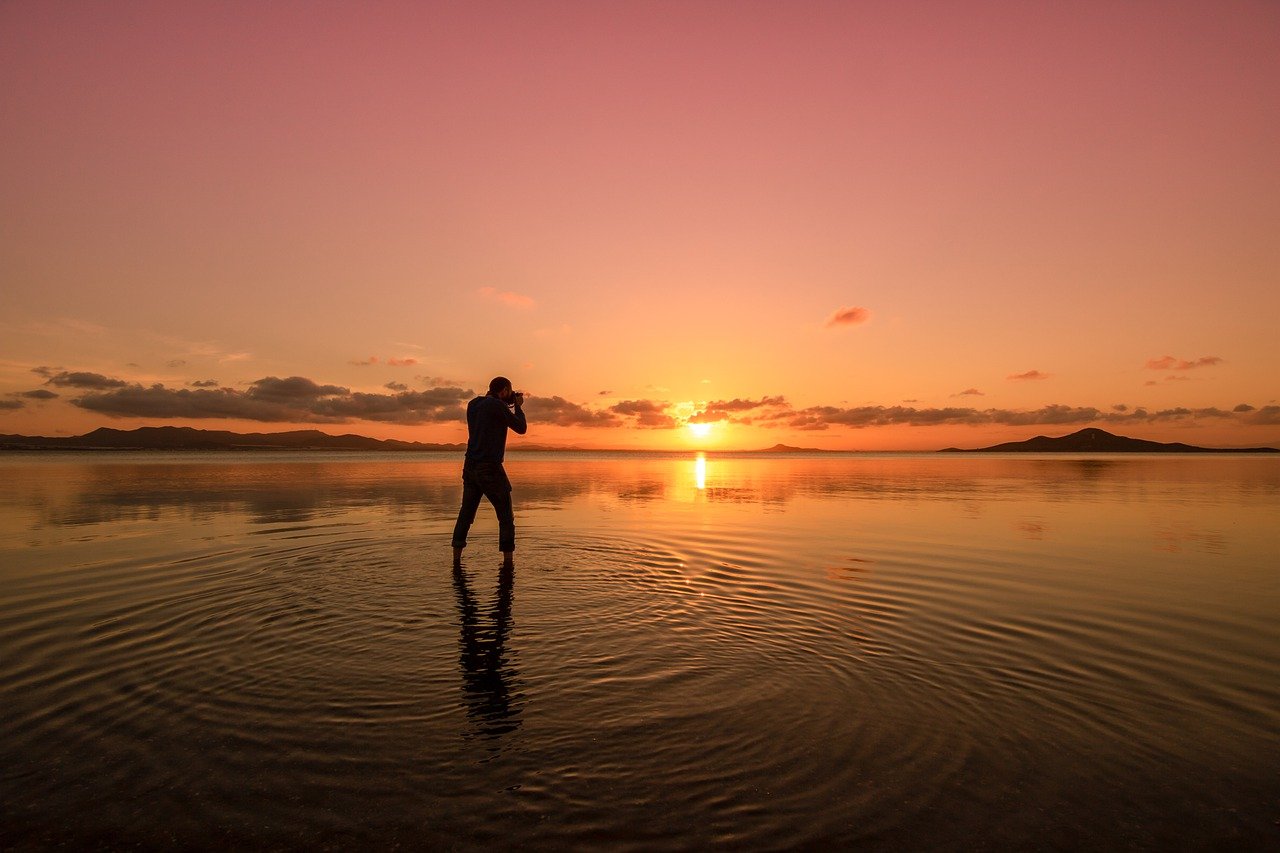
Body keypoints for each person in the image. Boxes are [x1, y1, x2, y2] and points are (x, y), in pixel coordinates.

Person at [451, 376, 527, 567]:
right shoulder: (496, 405)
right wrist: (517, 405)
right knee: (506, 518)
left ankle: (456, 559)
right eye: (509, 392)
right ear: (504, 391)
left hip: (470, 466)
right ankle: (508, 564)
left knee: (466, 514)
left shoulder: (473, 404)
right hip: (490, 468)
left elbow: (489, 419)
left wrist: (507, 404)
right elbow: (521, 427)